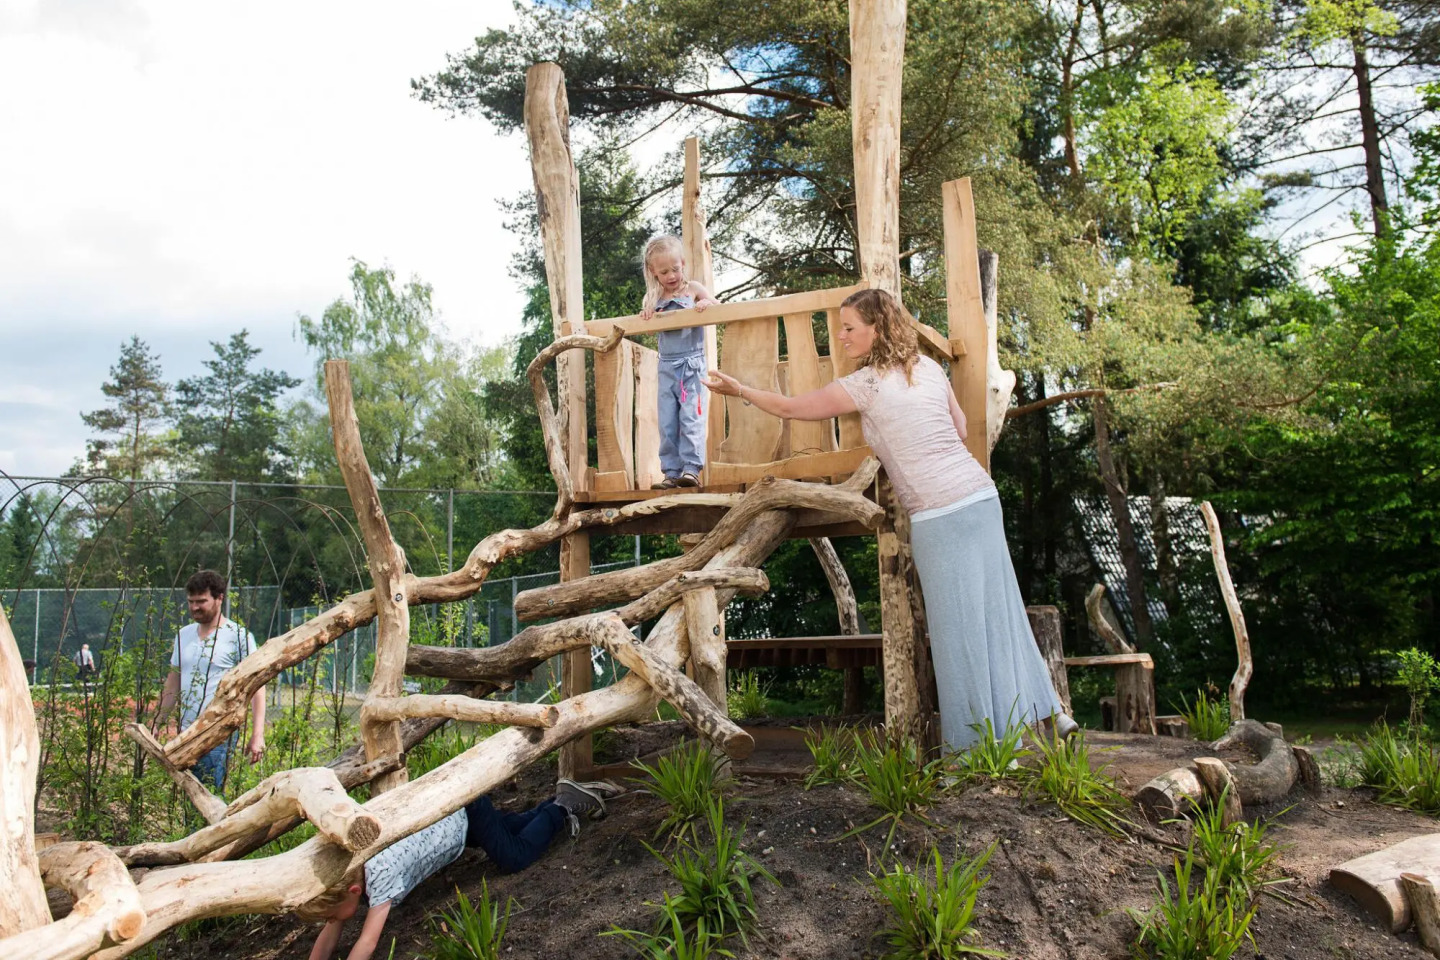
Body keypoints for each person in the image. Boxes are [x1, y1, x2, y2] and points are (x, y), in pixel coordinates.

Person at [702, 287, 1077, 750]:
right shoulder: (930, 369)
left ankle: (977, 754)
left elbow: (793, 408)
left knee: (957, 633)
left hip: (939, 512)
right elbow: (959, 430)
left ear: (876, 328)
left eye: (848, 328)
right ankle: (1048, 712)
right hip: (980, 497)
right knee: (999, 610)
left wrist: (739, 390)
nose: (841, 336)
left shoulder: (868, 385)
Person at [307, 779, 611, 960]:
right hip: (453, 813)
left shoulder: (378, 875)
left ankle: (562, 806)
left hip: (463, 812)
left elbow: (368, 942)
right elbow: (331, 932)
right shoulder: (350, 868)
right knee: (507, 831)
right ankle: (554, 801)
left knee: (514, 857)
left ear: (354, 891)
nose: (331, 922)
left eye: (331, 916)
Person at [152, 569, 265, 790]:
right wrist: (158, 721)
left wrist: (257, 735)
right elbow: (173, 681)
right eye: (191, 602)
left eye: (201, 601)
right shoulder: (183, 635)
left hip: (218, 732)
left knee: (209, 793)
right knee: (191, 796)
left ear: (219, 598)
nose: (195, 607)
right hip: (186, 731)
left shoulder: (238, 636)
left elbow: (257, 686)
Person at [639, 234, 716, 489]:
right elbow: (648, 329)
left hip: (691, 365)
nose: (671, 275)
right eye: (664, 271)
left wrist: (706, 303)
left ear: (683, 263)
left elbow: (717, 306)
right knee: (668, 421)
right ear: (653, 272)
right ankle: (671, 472)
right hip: (667, 367)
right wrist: (647, 315)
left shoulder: (692, 289)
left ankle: (691, 469)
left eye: (675, 268)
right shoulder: (654, 296)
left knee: (691, 417)